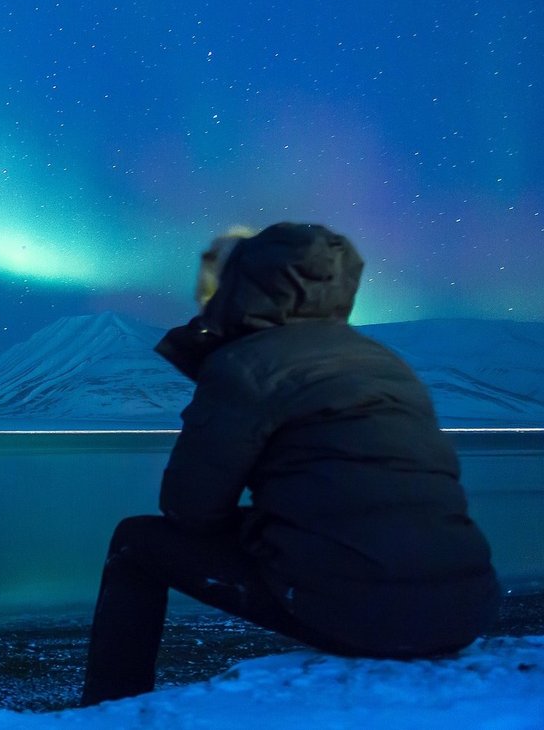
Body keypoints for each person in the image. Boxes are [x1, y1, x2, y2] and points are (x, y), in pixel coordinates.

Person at [78, 222, 500, 707]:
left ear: (244, 285)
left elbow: (189, 510)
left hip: (373, 620)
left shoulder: (246, 364)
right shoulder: (385, 363)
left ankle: (109, 707)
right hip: (466, 610)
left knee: (135, 542)